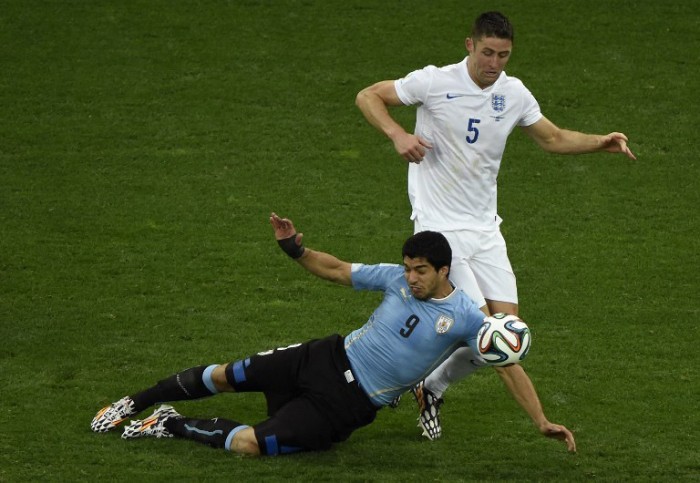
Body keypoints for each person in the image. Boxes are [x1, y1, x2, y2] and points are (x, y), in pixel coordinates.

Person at [355, 10, 635, 440]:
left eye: (503, 55)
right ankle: (410, 381)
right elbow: (368, 96)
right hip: (441, 229)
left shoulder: (514, 93)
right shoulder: (435, 81)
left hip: (486, 228)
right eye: (487, 52)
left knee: (509, 337)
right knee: (487, 333)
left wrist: (602, 142)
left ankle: (431, 385)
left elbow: (553, 138)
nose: (494, 63)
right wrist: (397, 134)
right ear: (470, 45)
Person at [90, 213, 576, 455]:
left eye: (421, 271)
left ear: (444, 270)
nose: (411, 278)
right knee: (225, 374)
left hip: (349, 404)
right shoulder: (393, 277)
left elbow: (509, 369)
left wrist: (541, 421)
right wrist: (295, 250)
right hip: (324, 357)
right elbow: (338, 269)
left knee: (254, 446)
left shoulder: (468, 318)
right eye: (408, 268)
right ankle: (134, 401)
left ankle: (167, 423)